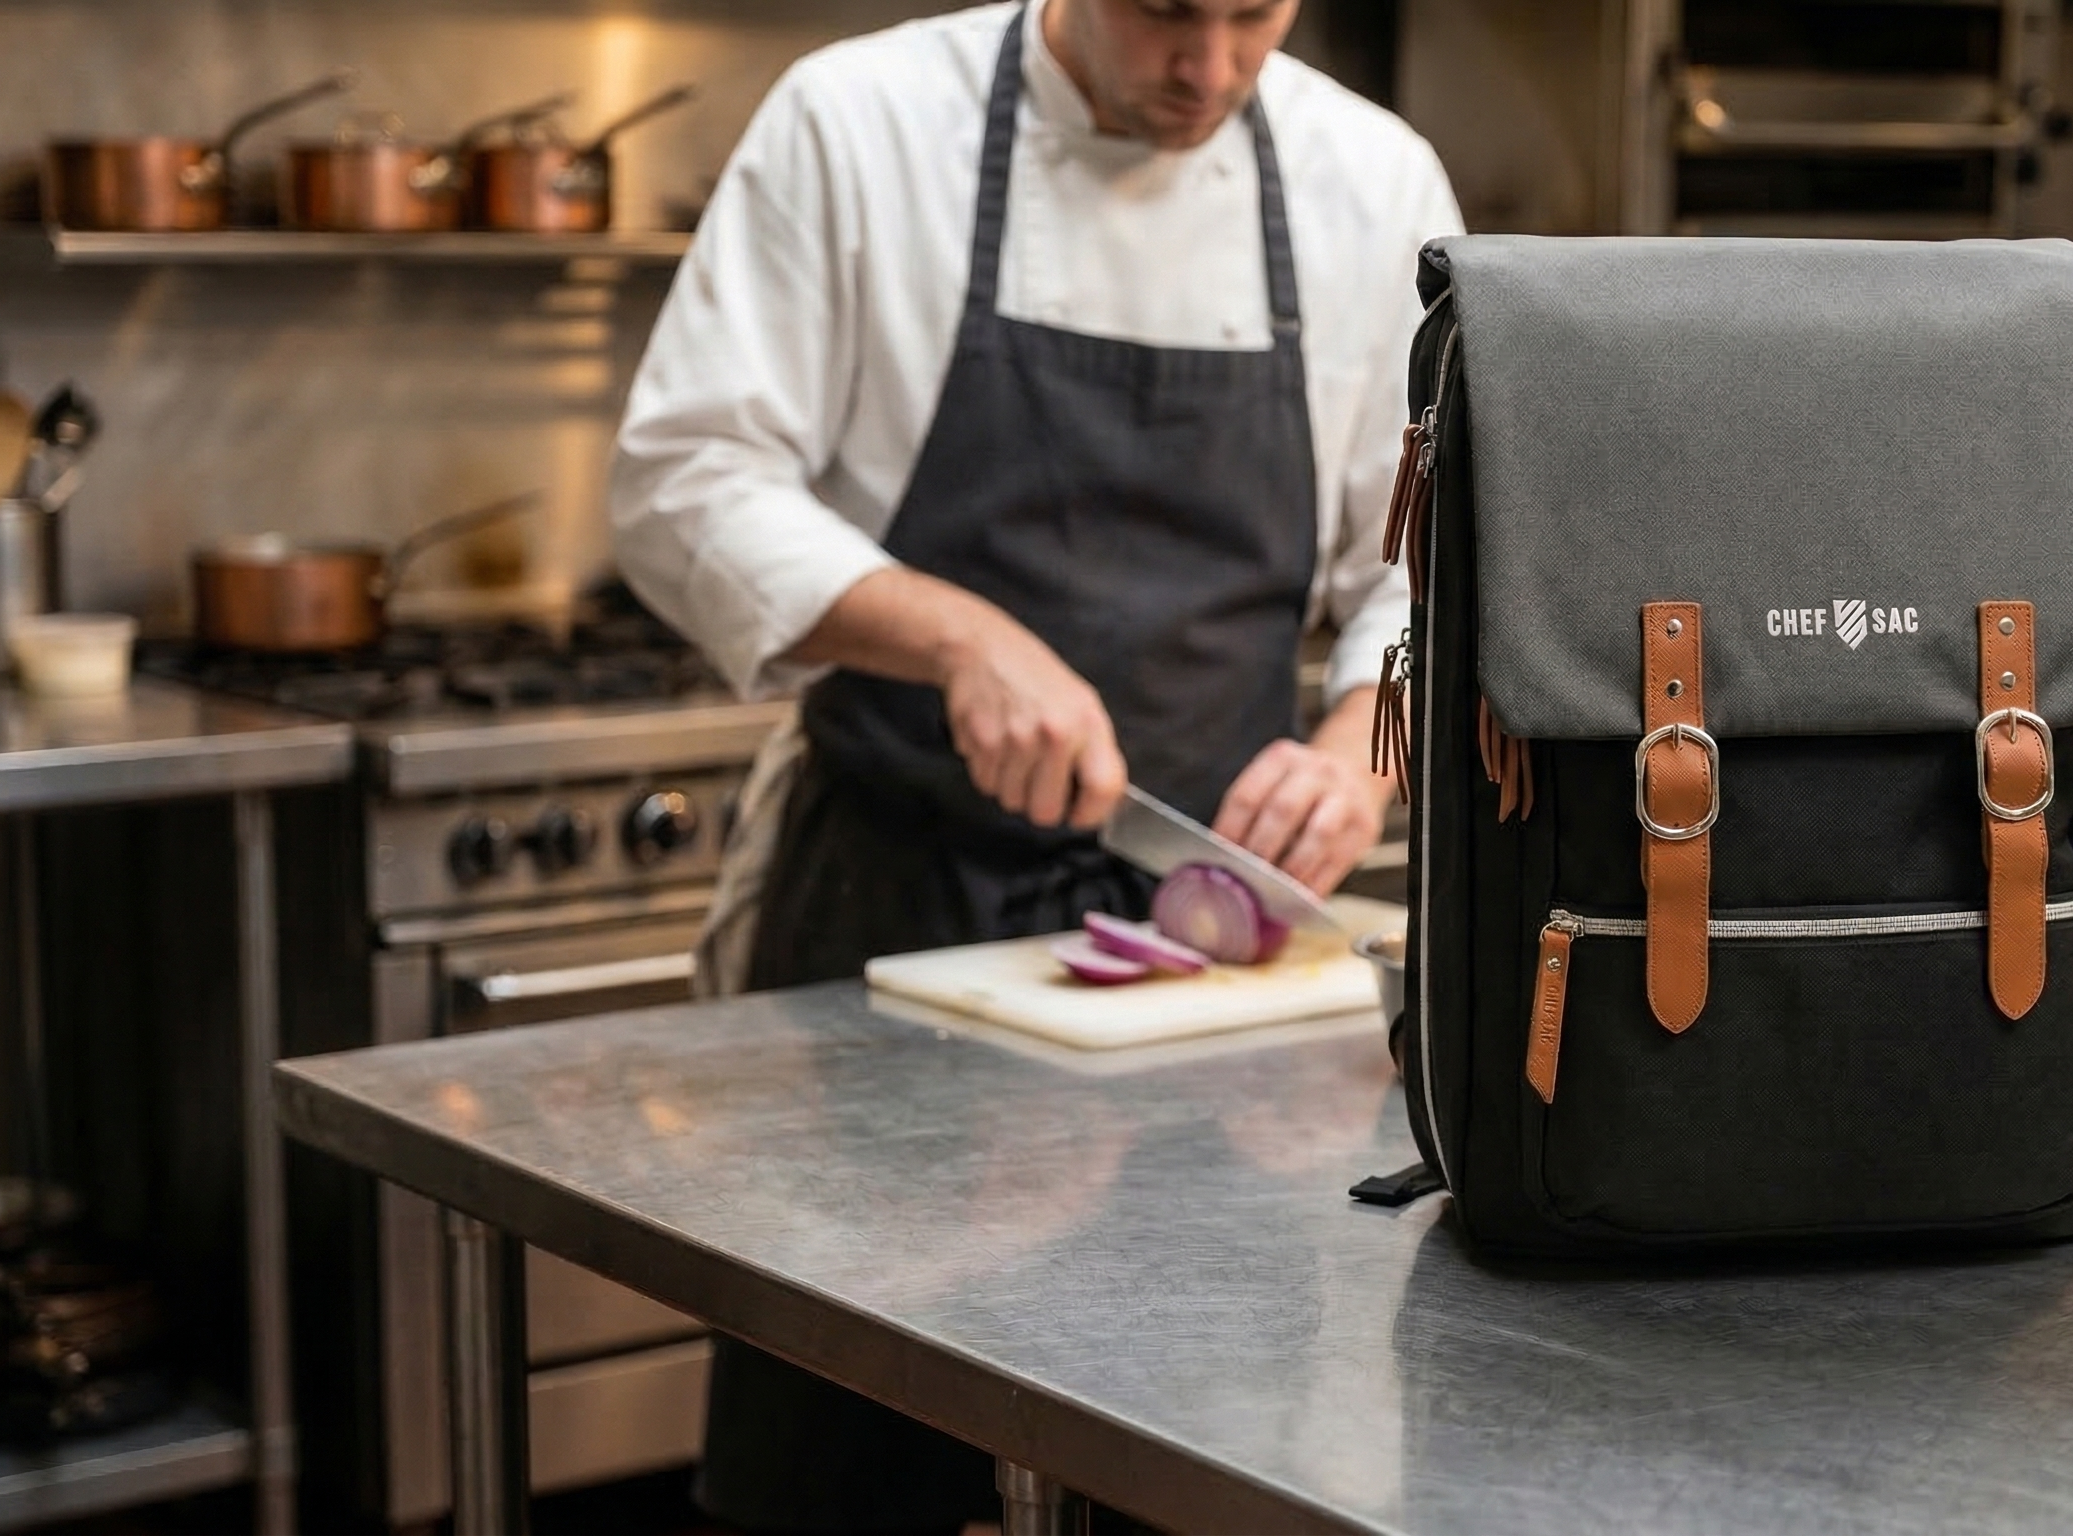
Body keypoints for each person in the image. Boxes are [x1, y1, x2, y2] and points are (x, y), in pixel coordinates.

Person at [609, 0, 1462, 1528]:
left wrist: (1360, 747)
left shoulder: (1372, 179)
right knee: (838, 1466)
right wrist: (949, 635)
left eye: (1254, 17)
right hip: (884, 928)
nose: (1206, 70)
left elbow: (1433, 561)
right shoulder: (856, 125)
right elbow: (683, 476)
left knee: (1193, 1450)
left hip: (1218, 969)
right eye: (1162, 15)